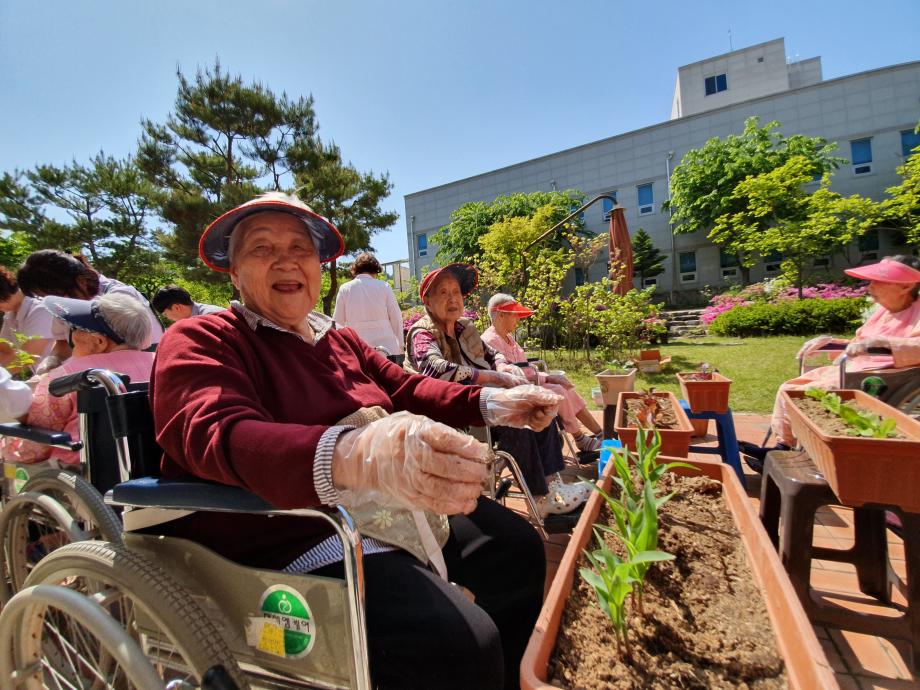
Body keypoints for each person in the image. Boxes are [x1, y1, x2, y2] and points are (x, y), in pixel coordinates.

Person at [150, 191, 561, 690]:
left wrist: (491, 400)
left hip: (386, 499)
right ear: (231, 271)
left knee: (515, 546)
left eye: (301, 249)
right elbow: (217, 432)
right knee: (456, 642)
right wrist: (355, 453)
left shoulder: (337, 337)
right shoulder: (204, 338)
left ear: (320, 268)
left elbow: (405, 385)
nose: (286, 261)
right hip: (300, 528)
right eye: (262, 248)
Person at [405, 263, 589, 517]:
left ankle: (551, 486)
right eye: (443, 292)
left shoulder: (463, 328)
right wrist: (490, 376)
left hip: (479, 404)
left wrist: (504, 366)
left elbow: (492, 355)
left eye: (456, 292)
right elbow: (434, 368)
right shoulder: (422, 333)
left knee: (538, 409)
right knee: (516, 419)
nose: (452, 299)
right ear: (427, 300)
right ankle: (539, 497)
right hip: (447, 413)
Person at [740, 255, 920, 469]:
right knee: (788, 388)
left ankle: (806, 455)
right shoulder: (882, 312)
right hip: (852, 370)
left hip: (880, 380)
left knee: (808, 394)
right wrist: (830, 342)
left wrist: (886, 342)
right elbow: (858, 344)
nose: (870, 287)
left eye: (878, 282)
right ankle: (783, 446)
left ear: (906, 285)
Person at [1, 293, 154, 466]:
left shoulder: (66, 377)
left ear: (99, 342)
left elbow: (35, 447)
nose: (71, 337)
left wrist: (8, 449)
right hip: (154, 467)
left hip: (84, 471)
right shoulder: (161, 364)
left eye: (76, 328)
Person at [482, 293, 604, 452]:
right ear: (500, 315)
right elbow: (514, 372)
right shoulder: (490, 340)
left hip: (527, 384)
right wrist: (549, 378)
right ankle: (580, 438)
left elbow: (524, 367)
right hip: (512, 391)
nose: (518, 319)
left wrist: (550, 378)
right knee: (558, 391)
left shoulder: (508, 338)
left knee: (566, 387)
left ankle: (600, 433)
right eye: (514, 315)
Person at [16, 250, 164, 362]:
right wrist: (51, 364)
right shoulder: (61, 306)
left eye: (60, 296)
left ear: (81, 281)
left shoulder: (121, 299)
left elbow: (123, 354)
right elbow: (62, 344)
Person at [332, 252, 405, 364]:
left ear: (355, 269)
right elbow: (396, 317)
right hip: (386, 349)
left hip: (357, 349)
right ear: (375, 269)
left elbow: (337, 323)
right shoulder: (384, 286)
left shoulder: (345, 289)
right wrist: (400, 344)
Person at [0, 265, 55, 372]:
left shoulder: (40, 310)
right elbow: (4, 350)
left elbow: (27, 357)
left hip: (64, 378)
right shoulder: (10, 315)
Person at [151, 284, 224, 322]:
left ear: (176, 307)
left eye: (165, 314)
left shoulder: (210, 317)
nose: (168, 318)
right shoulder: (197, 317)